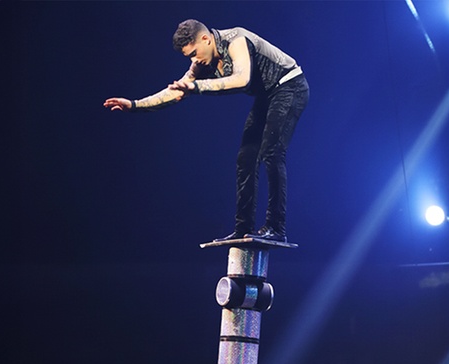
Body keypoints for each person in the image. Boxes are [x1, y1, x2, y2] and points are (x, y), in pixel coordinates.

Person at [104, 19, 309, 243]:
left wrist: (196, 86)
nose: (194, 60)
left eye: (194, 53)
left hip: (290, 86)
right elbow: (176, 91)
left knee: (271, 152)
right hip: (267, 95)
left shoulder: (236, 40)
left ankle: (276, 227)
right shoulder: (202, 62)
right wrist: (134, 104)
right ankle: (243, 228)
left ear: (205, 38)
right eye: (189, 57)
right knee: (245, 158)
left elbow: (242, 79)